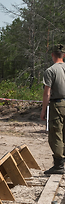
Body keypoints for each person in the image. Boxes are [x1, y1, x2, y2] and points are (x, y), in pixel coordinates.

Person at [41, 44, 65, 175]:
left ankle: (59, 165)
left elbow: (47, 93)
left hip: (58, 105)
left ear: (52, 55)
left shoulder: (50, 70)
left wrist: (44, 110)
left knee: (56, 135)